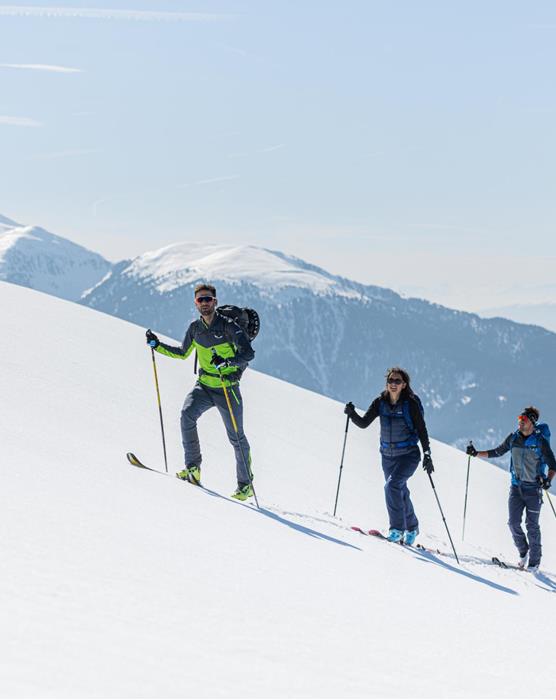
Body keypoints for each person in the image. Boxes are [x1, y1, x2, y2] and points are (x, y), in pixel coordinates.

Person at [145, 283, 255, 501]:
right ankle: (193, 468)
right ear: (196, 304)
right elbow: (182, 353)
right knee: (187, 416)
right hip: (204, 385)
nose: (204, 303)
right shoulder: (195, 328)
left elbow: (248, 354)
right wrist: (157, 345)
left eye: (208, 299)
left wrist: (227, 361)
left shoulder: (229, 327)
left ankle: (245, 485)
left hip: (227, 388)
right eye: (200, 300)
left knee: (236, 437)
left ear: (215, 301)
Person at [344, 367, 433, 544]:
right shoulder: (380, 402)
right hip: (387, 455)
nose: (393, 384)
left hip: (408, 455)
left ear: (404, 385)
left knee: (391, 486)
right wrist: (352, 414)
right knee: (399, 490)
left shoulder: (410, 404)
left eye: (397, 381)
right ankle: (412, 528)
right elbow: (363, 423)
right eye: (391, 380)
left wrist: (427, 454)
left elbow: (422, 430)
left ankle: (397, 529)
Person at [466, 406, 555, 572]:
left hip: (533, 489)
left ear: (532, 422)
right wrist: (476, 453)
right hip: (516, 488)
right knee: (513, 523)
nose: (520, 422)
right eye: (519, 419)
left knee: (532, 525)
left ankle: (534, 563)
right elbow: (497, 452)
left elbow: (553, 465)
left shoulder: (540, 442)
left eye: (524, 419)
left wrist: (548, 480)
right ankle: (524, 551)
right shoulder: (513, 438)